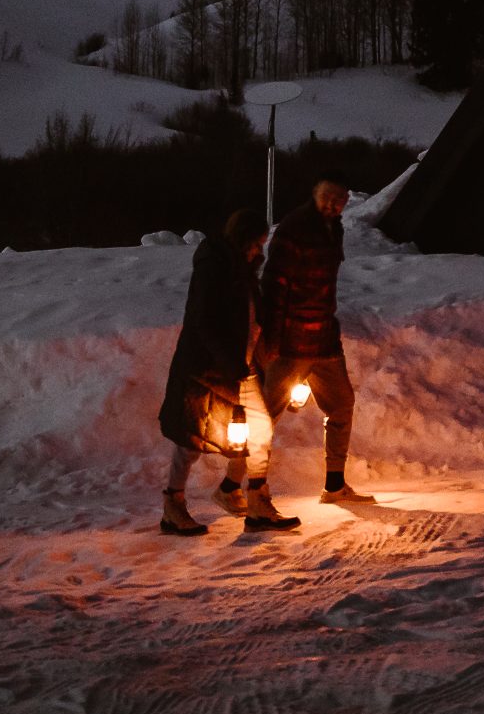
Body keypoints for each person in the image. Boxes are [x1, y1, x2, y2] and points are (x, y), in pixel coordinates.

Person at [154, 208, 298, 534]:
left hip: (242, 369)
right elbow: (204, 320)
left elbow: (251, 317)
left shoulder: (244, 270)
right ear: (242, 239)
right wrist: (229, 364)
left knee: (260, 433)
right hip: (206, 369)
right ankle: (173, 506)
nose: (259, 251)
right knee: (191, 440)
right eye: (257, 243)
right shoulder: (213, 267)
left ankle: (259, 504)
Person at [259, 173, 372, 504]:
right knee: (265, 415)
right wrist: (272, 339)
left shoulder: (333, 227)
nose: (335, 206)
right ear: (316, 195)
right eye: (330, 198)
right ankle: (244, 487)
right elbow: (275, 285)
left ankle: (334, 485)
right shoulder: (294, 229)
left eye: (341, 201)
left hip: (324, 338)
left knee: (341, 405)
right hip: (291, 340)